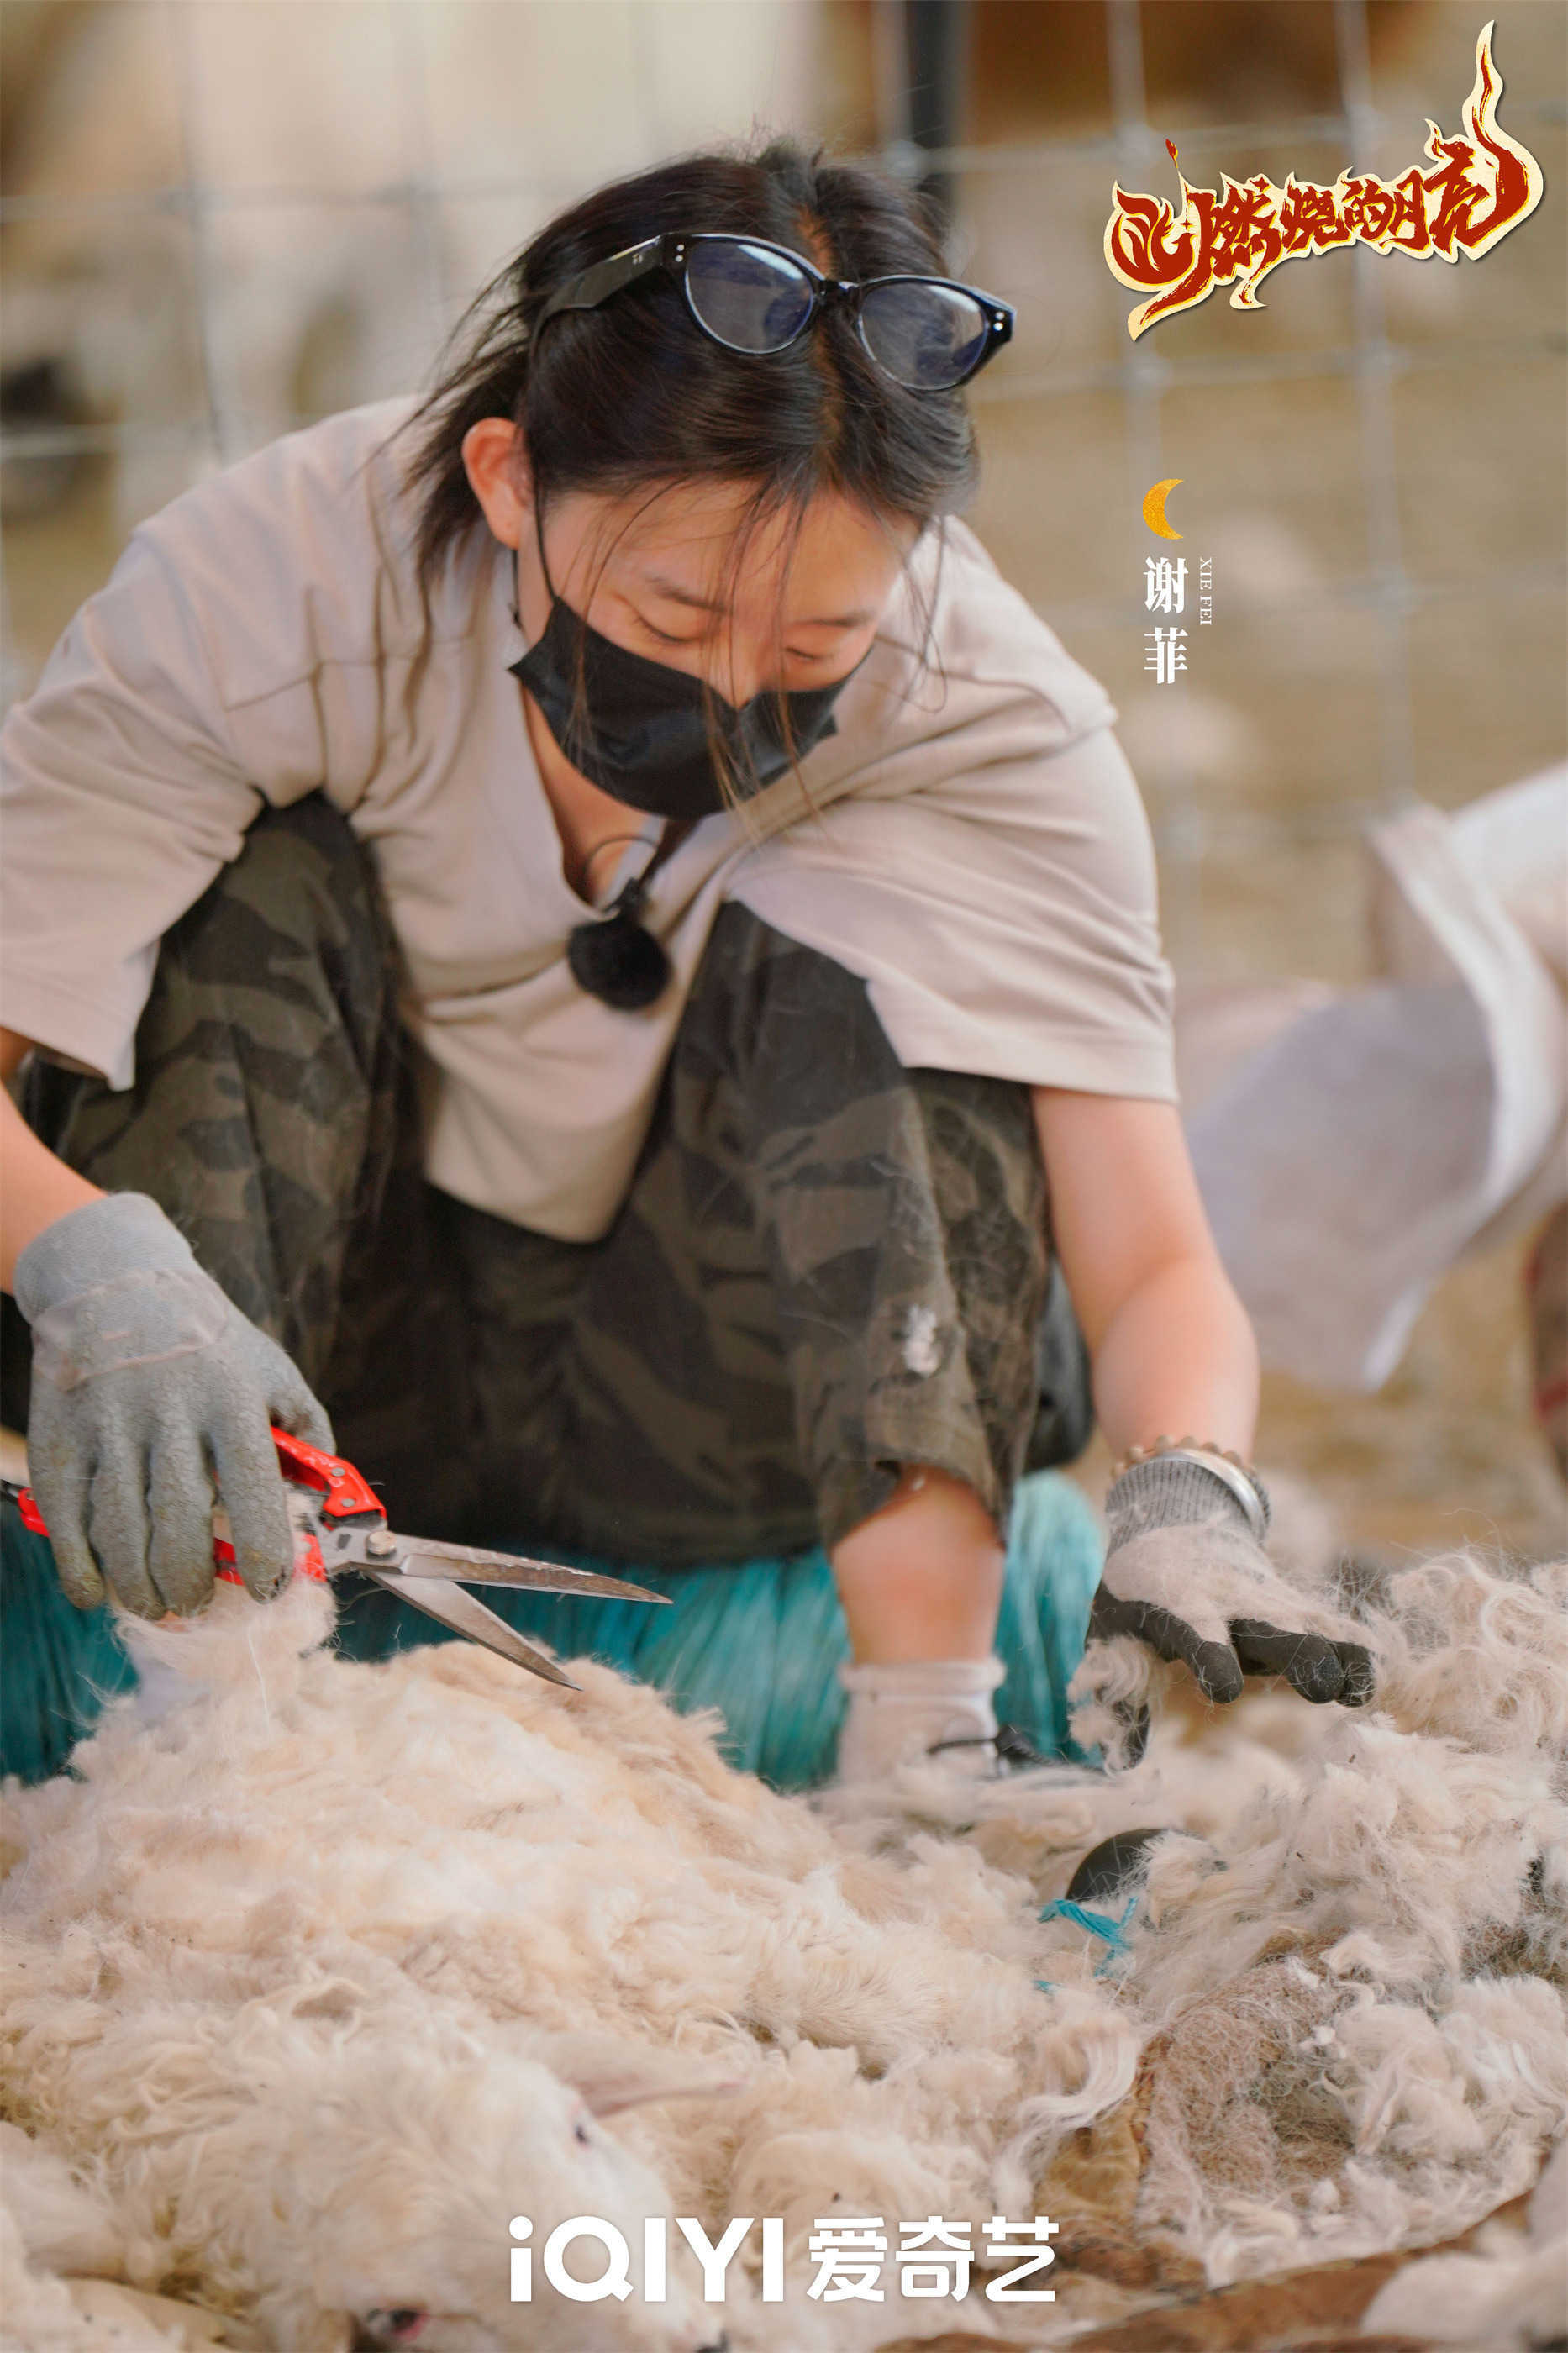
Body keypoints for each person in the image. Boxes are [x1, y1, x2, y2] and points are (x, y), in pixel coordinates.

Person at [0, 139, 1373, 1787]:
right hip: (311, 1369)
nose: (727, 693)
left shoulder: (992, 717)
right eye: (668, 616)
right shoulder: (266, 581)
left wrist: (1190, 1498)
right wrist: (97, 1271)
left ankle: (922, 1733)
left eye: (814, 646)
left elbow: (1149, 1261)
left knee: (882, 965)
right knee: (260, 885)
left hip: (706, 1422)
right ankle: (195, 1685)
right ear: (510, 482)